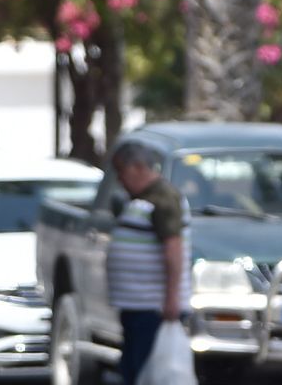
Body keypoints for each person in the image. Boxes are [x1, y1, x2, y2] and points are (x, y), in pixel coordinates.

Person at [107, 139, 190, 385]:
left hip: (153, 308)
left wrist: (171, 299)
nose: (120, 179)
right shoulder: (141, 200)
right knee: (134, 370)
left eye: (121, 171)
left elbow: (173, 249)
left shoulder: (163, 198)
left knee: (146, 370)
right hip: (137, 306)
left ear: (136, 167)